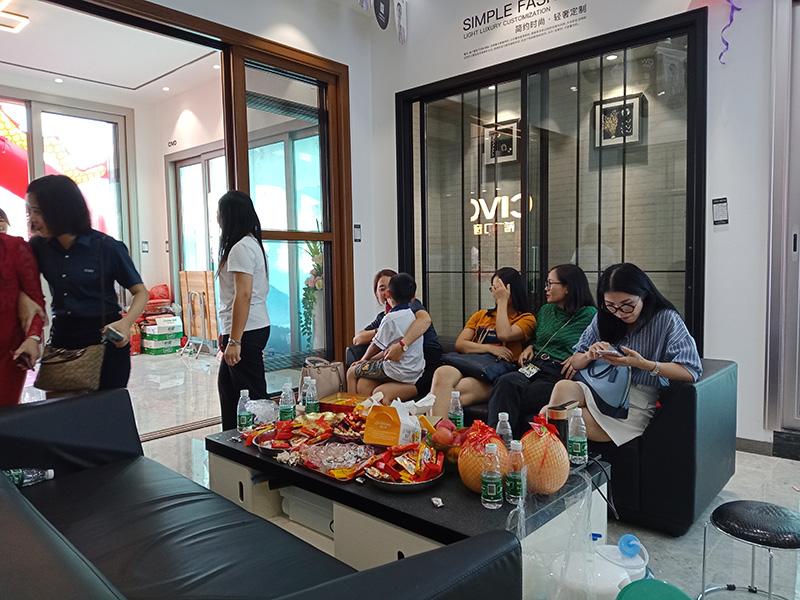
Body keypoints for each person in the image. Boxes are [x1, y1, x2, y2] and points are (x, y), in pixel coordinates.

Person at [541, 263, 702, 446]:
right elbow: (576, 362)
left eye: (627, 305)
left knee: (559, 417)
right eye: (611, 306)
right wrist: (589, 355)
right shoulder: (604, 317)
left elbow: (690, 371)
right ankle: (554, 456)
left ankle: (554, 456)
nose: (619, 313)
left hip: (635, 400)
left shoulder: (666, 319)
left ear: (644, 295)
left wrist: (643, 364)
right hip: (599, 385)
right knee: (563, 388)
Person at [27, 175, 148, 390]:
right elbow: (21, 282)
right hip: (62, 337)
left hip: (104, 337)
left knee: (105, 407)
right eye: (29, 211)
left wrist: (126, 323)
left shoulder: (106, 247)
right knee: (61, 408)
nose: (32, 218)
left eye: (37, 211)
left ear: (59, 210)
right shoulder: (39, 248)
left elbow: (141, 292)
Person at [487, 265, 597, 438]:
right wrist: (530, 346)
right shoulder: (546, 310)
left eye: (550, 284)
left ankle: (505, 442)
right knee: (505, 382)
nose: (546, 288)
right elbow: (539, 338)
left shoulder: (589, 315)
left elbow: (595, 346)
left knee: (521, 396)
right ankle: (494, 441)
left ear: (567, 287)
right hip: (535, 365)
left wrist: (580, 357)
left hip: (558, 371)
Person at [430, 267, 536, 417]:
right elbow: (461, 344)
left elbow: (504, 334)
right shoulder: (481, 315)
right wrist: (490, 348)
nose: (495, 293)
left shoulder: (526, 319)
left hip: (494, 375)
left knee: (452, 393)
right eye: (493, 288)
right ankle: (439, 429)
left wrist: (502, 301)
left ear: (511, 290)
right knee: (442, 372)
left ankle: (437, 428)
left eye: (498, 288)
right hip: (470, 365)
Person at [216, 191, 270, 430]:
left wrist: (235, 340)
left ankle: (263, 441)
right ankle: (230, 441)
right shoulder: (251, 244)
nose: (217, 217)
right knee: (228, 388)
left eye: (219, 212)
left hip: (246, 331)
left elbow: (243, 295)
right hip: (249, 327)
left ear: (229, 215)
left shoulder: (241, 248)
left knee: (252, 397)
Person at [348, 267, 442, 396]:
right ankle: (363, 409)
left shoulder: (412, 309)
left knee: (353, 373)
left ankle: (350, 406)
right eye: (381, 288)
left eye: (388, 287)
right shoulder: (389, 316)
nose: (385, 292)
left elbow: (425, 320)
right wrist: (382, 332)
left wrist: (400, 343)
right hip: (407, 368)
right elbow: (358, 339)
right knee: (364, 384)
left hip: (421, 369)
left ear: (389, 293)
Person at [0, 209, 46, 405]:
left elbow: (36, 302)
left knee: (5, 414)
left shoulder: (14, 248)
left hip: (6, 353)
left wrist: (32, 337)